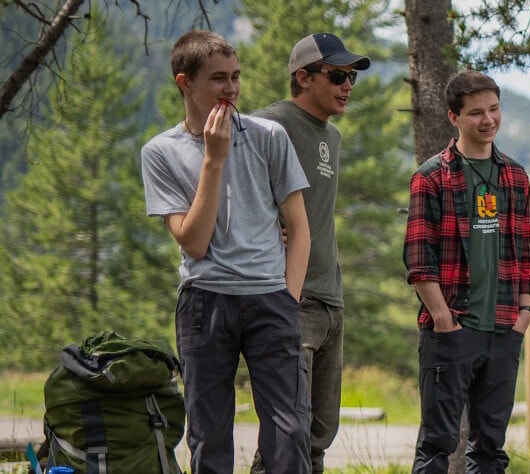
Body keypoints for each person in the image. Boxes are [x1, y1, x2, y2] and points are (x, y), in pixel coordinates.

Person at [138, 29, 312, 474]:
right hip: (204, 302)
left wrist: (288, 300)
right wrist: (214, 159)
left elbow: (299, 228)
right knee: (209, 436)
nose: (231, 89)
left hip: (271, 300)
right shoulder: (160, 152)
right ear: (184, 82)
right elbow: (194, 242)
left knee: (290, 433)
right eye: (218, 78)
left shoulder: (269, 136)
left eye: (236, 77)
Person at [404, 70, 530, 474]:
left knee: (491, 449)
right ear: (454, 118)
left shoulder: (515, 176)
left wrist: (525, 312)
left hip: (504, 328)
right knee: (437, 444)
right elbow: (417, 256)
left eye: (494, 109)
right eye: (476, 112)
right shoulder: (432, 176)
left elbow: (527, 250)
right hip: (452, 329)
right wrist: (442, 316)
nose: (488, 120)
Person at [248, 32, 369, 474]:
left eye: (351, 77)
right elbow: (219, 185)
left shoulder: (331, 137)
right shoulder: (266, 124)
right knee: (286, 434)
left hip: (330, 299)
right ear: (303, 76)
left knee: (319, 434)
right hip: (288, 298)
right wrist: (261, 232)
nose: (347, 86)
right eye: (337, 75)